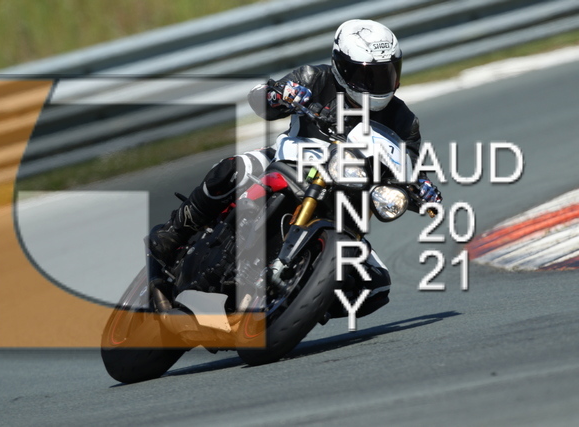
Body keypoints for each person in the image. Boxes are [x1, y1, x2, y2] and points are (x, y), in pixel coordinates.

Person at [149, 20, 442, 312]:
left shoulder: (404, 120)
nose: (378, 84)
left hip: (348, 195)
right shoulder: (314, 77)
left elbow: (410, 165)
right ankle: (174, 233)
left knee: (375, 286)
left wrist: (423, 188)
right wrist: (280, 94)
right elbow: (261, 98)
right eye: (368, 75)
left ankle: (299, 299)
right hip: (290, 159)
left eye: (386, 73)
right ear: (342, 67)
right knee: (232, 170)